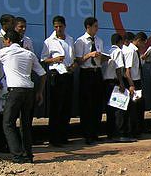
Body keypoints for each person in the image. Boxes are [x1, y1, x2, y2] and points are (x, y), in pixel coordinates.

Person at [0, 30, 46, 163]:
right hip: (29, 91)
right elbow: (42, 73)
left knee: (8, 123)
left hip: (14, 91)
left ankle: (17, 155)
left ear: (8, 40)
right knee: (25, 124)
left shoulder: (5, 51)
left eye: (4, 41)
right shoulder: (29, 54)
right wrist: (39, 92)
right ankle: (28, 155)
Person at [41, 16, 75, 146]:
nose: (58, 29)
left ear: (64, 26)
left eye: (60, 26)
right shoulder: (49, 41)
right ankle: (54, 138)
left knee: (66, 106)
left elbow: (73, 58)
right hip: (56, 74)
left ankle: (64, 136)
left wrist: (72, 66)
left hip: (68, 73)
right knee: (56, 107)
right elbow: (43, 59)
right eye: (56, 27)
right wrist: (55, 59)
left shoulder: (70, 39)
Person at [74, 17, 105, 145]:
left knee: (97, 104)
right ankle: (87, 134)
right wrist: (89, 55)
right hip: (86, 73)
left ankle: (96, 132)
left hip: (97, 72)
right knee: (87, 105)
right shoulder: (80, 41)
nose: (97, 29)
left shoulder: (99, 40)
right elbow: (78, 60)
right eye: (95, 26)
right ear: (88, 26)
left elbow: (101, 57)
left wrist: (102, 57)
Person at [0, 13, 15, 152]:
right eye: (11, 22)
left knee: (8, 114)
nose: (13, 25)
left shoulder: (10, 39)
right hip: (1, 81)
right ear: (4, 24)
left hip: (9, 81)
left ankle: (5, 142)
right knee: (0, 114)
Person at [122, 32, 147, 139]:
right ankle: (132, 131)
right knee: (133, 108)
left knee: (138, 107)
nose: (143, 46)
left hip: (136, 81)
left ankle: (136, 130)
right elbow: (128, 70)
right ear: (139, 40)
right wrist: (131, 85)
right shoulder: (131, 51)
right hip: (133, 82)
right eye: (143, 43)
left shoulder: (135, 52)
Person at [102, 33, 127, 140]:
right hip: (115, 82)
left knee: (109, 110)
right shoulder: (118, 51)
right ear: (120, 42)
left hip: (106, 82)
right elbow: (118, 68)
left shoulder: (107, 50)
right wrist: (121, 83)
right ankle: (118, 133)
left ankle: (110, 133)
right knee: (118, 109)